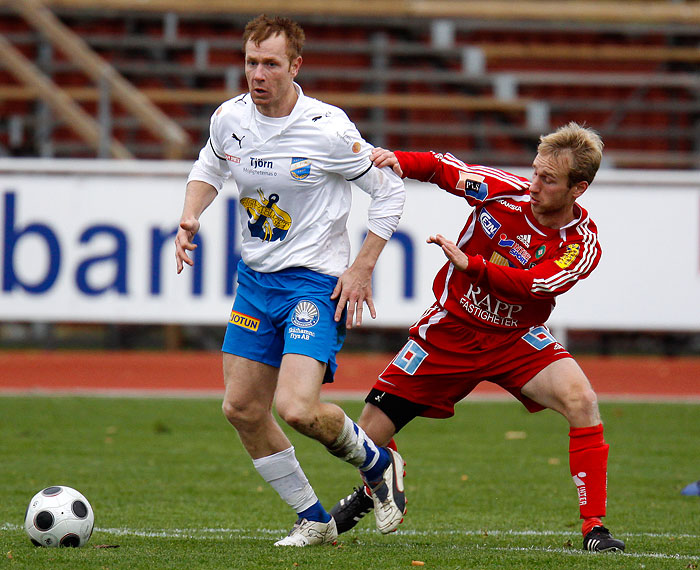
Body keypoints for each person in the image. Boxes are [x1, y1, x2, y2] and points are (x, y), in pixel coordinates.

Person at [329, 122, 626, 553]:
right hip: (450, 330)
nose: (534, 184)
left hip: (516, 339)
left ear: (578, 189)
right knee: (364, 437)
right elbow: (446, 169)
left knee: (582, 400)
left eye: (548, 179)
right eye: (535, 171)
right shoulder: (503, 191)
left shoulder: (580, 243)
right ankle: (376, 484)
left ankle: (594, 527)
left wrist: (473, 266)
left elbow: (538, 285)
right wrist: (401, 160)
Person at [174, 14, 407, 547]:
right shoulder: (229, 119)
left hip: (313, 284)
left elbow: (390, 191)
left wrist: (362, 266)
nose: (258, 74)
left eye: (270, 64)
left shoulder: (328, 128)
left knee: (297, 408)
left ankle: (378, 463)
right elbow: (209, 168)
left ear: (295, 66)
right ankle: (314, 518)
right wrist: (191, 215)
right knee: (240, 409)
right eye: (251, 62)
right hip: (255, 281)